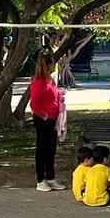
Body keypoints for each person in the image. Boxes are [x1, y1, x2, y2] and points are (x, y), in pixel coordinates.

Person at [30, 52, 66, 192]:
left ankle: (51, 177)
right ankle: (41, 179)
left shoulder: (50, 80)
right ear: (47, 64)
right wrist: (44, 115)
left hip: (53, 120)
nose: (54, 65)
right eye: (52, 63)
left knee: (51, 149)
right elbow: (34, 104)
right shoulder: (39, 82)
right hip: (43, 120)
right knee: (42, 150)